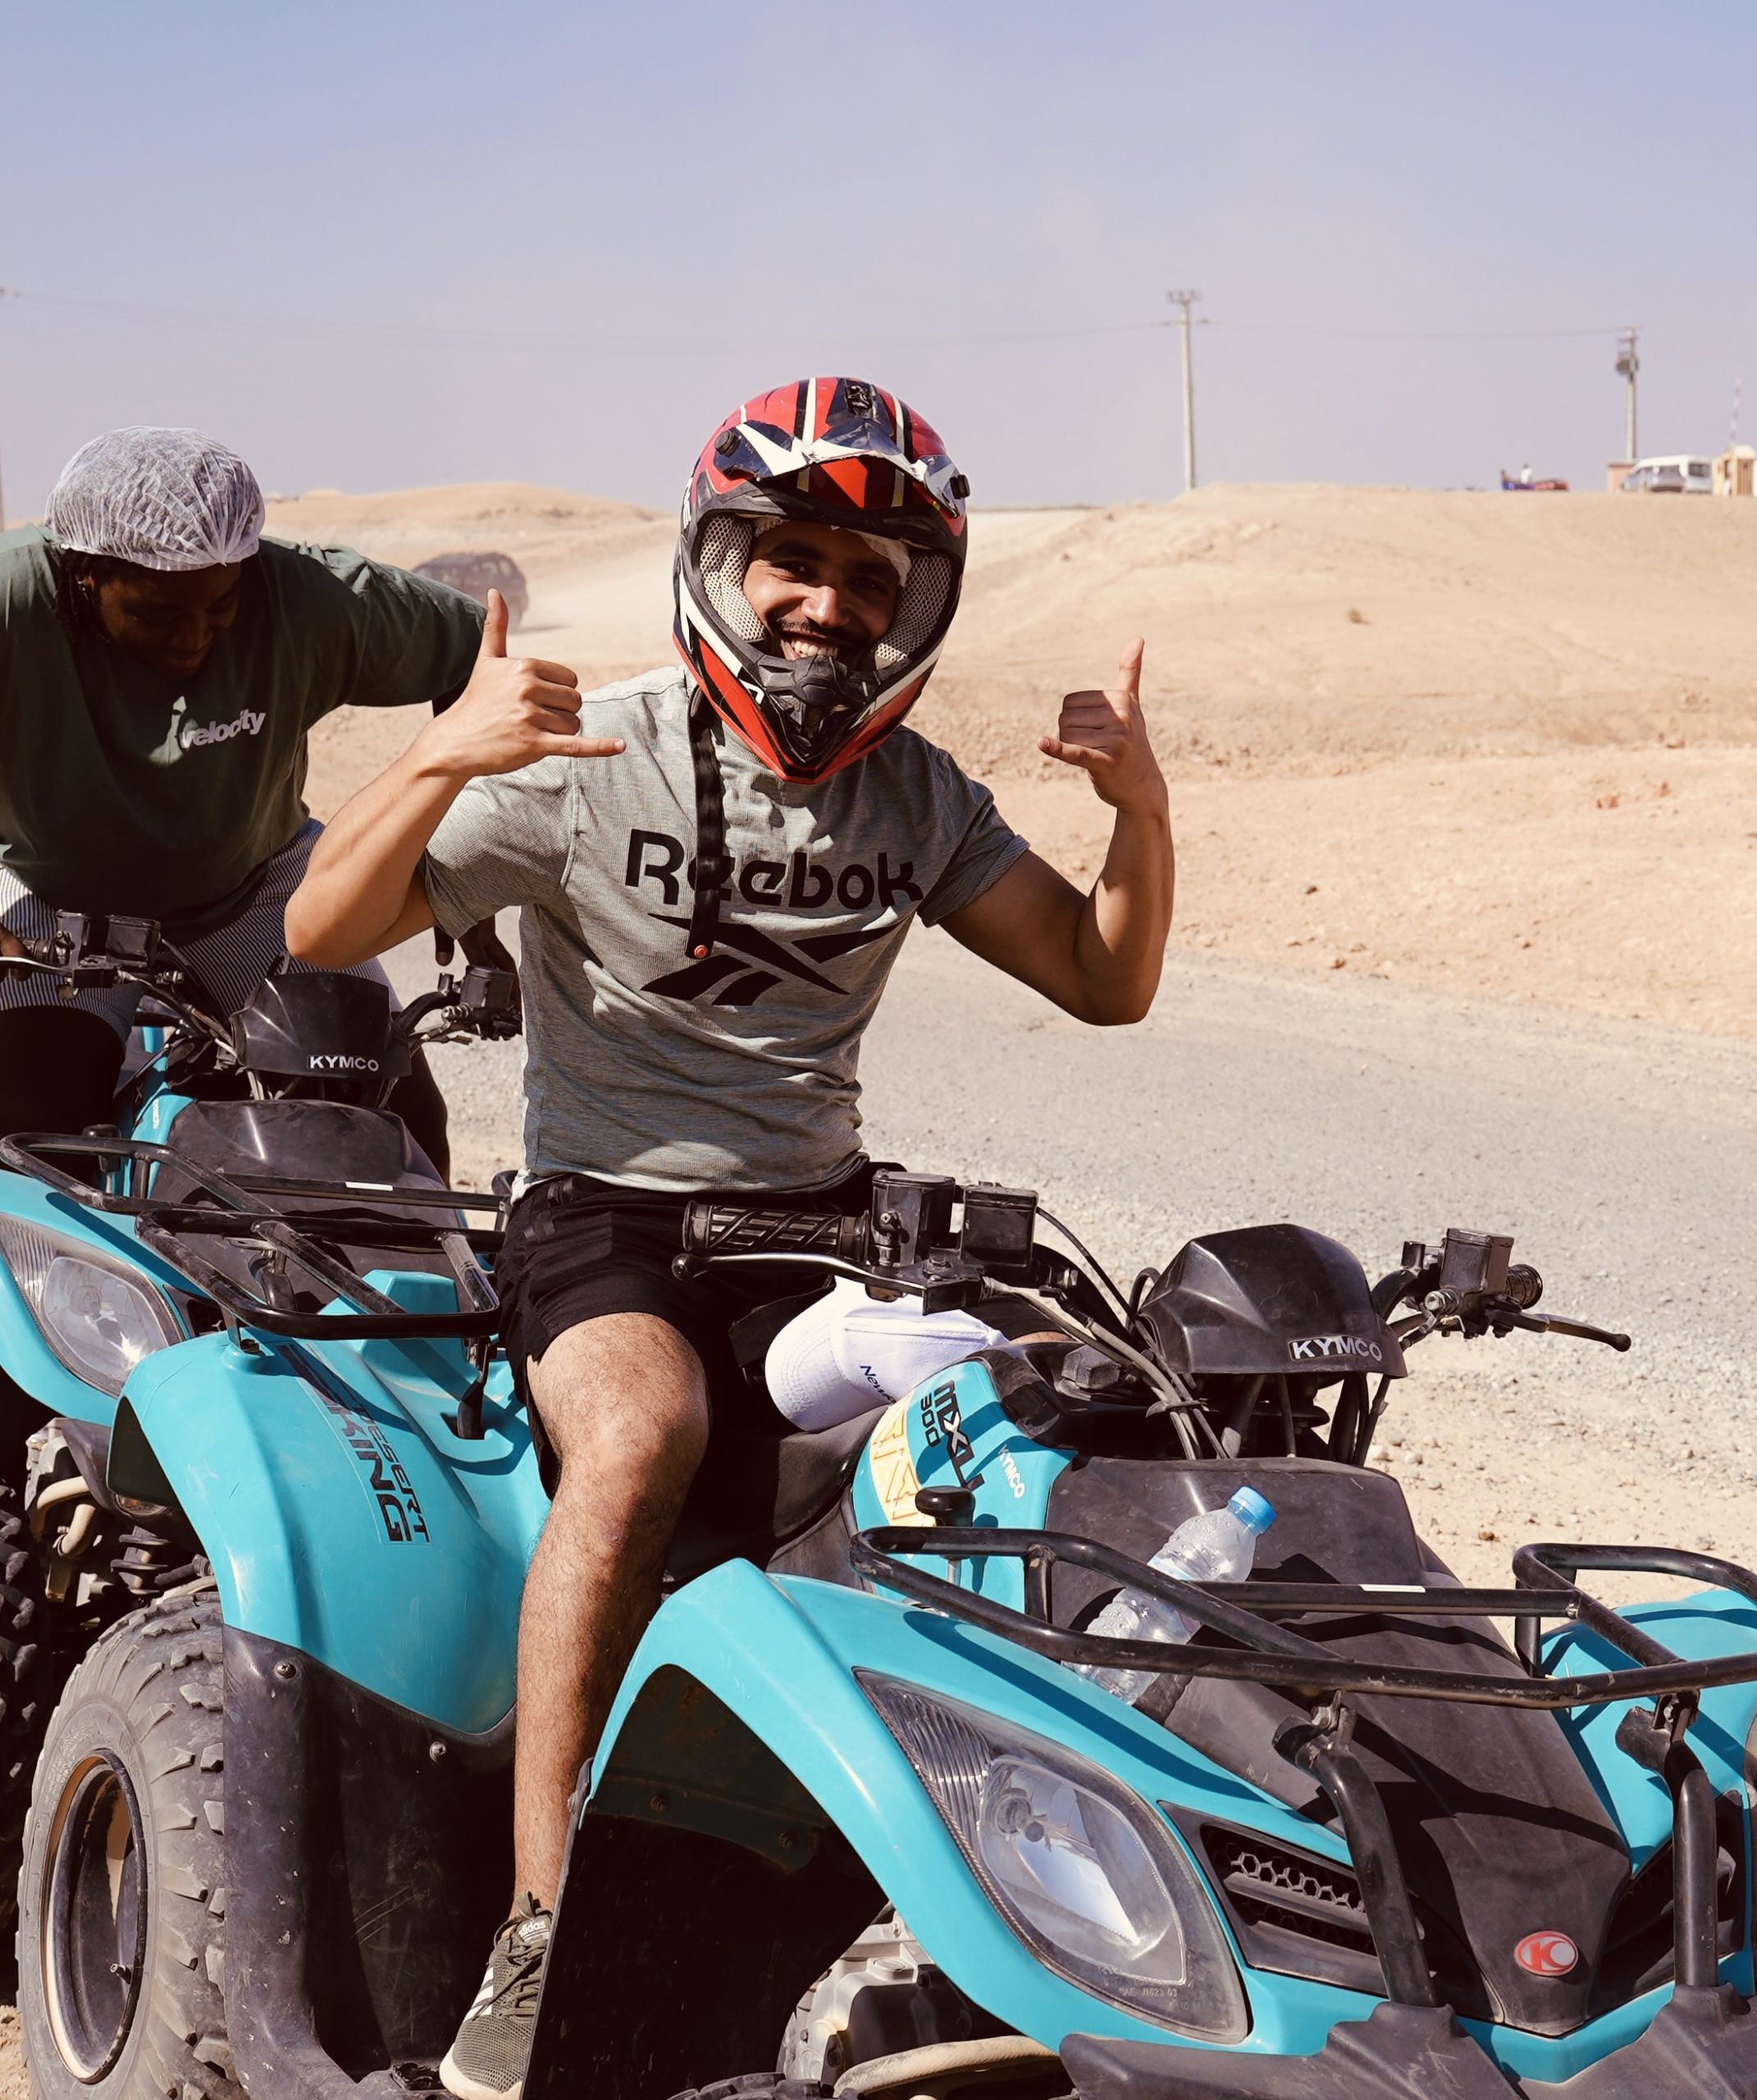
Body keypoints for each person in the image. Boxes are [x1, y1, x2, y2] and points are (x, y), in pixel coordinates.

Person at [284, 374, 1175, 2100]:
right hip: (603, 1220)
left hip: (818, 1223)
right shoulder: (582, 752)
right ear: (719, 557)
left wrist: (1138, 810)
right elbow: (327, 920)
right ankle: (538, 1927)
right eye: (792, 557)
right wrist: (443, 752)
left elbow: (1101, 977)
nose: (828, 603)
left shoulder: (912, 798)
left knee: (1043, 1429)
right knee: (639, 1436)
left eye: (869, 575)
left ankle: (1028, 1908)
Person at [0, 426, 487, 1171]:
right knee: (37, 1138)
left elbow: (480, 659)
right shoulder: (13, 600)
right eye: (157, 612)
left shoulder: (311, 598)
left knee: (395, 1125)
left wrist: (462, 883)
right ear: (82, 576)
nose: (193, 638)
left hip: (253, 890)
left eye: (220, 607)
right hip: (52, 897)